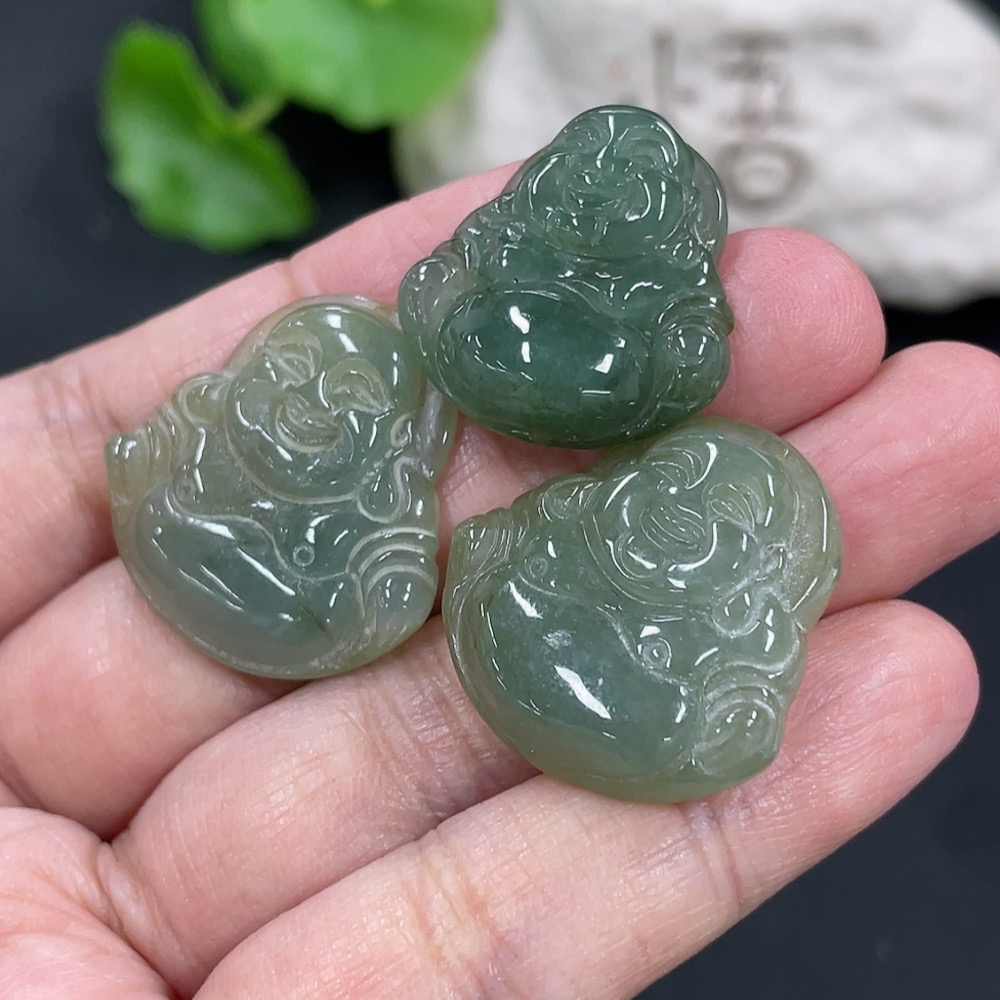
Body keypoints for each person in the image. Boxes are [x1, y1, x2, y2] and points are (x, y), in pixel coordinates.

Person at [0, 165, 996, 998]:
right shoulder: (210, 463)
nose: (306, 404)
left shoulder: (689, 665)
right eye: (287, 375)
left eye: (721, 521)